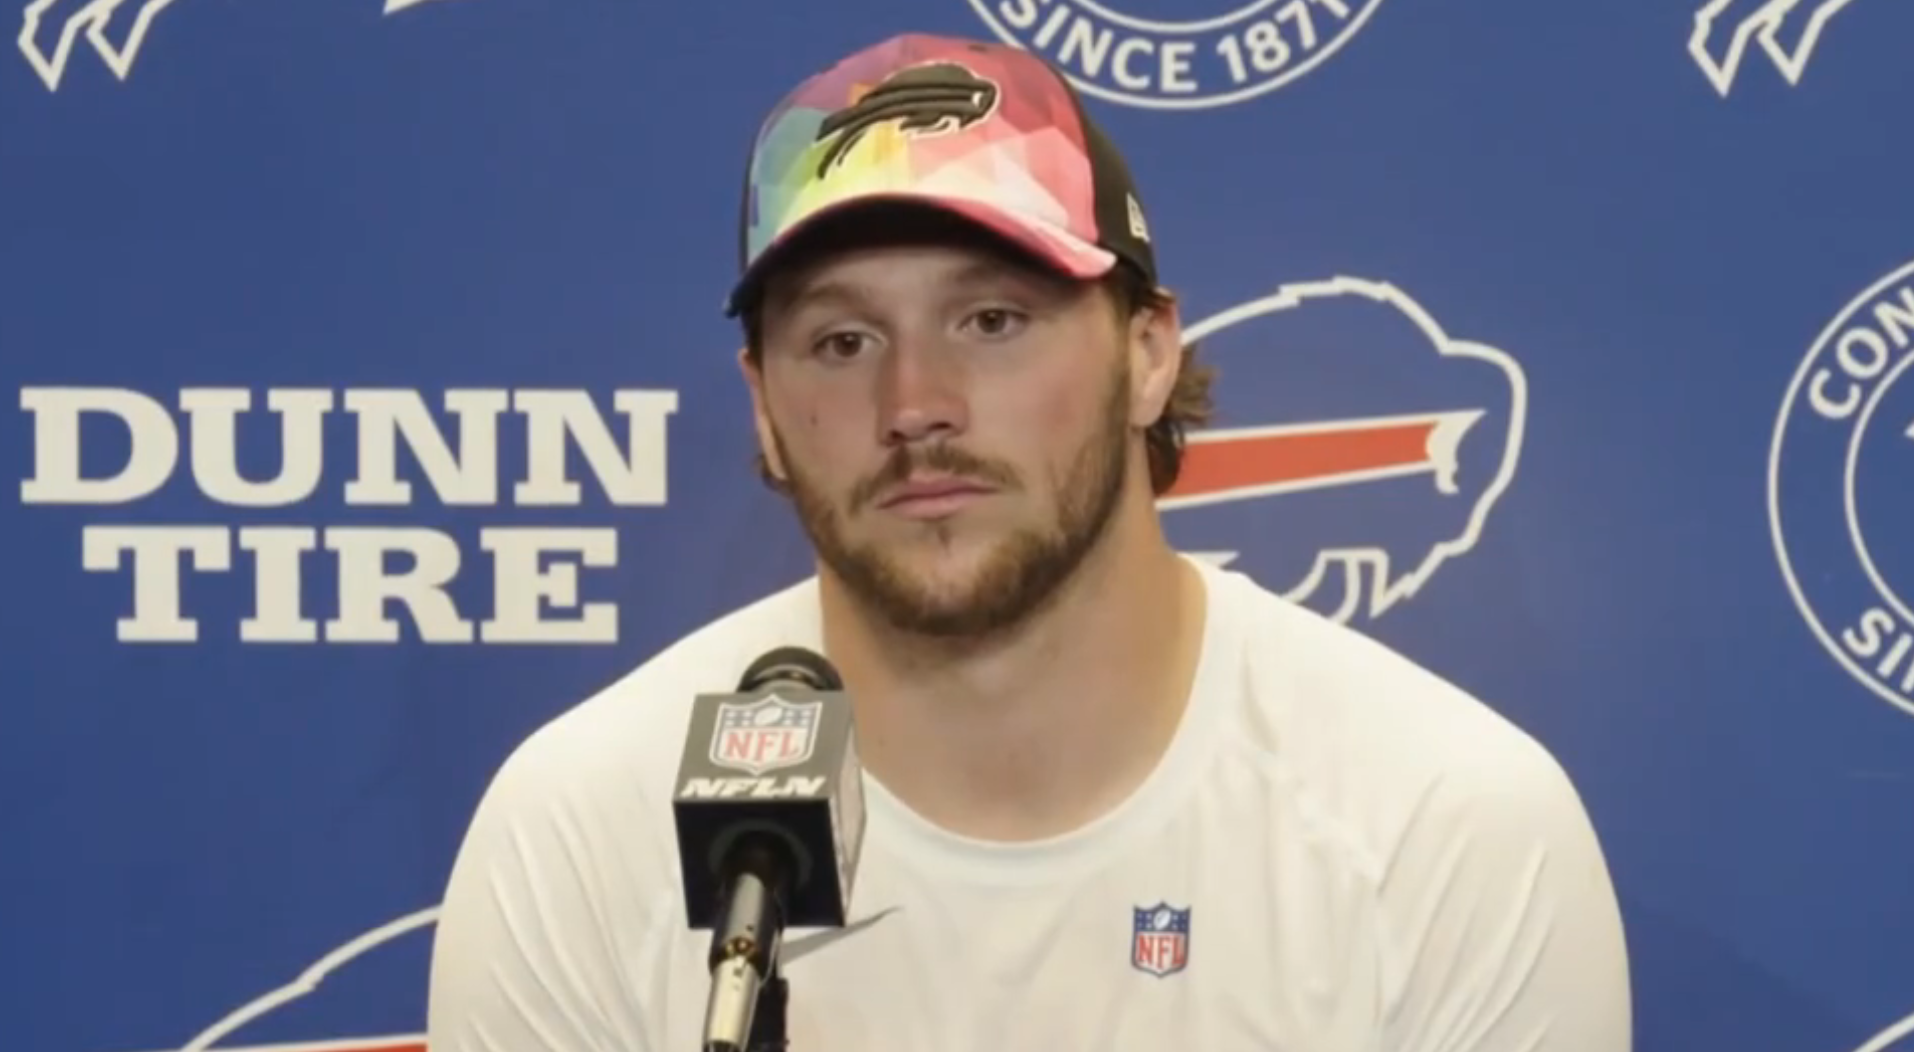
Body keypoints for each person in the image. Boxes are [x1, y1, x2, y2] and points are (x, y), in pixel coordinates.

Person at [424, 30, 1632, 1052]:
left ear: (1148, 352)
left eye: (993, 318)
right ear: (762, 406)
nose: (915, 401)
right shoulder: (583, 829)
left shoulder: (1445, 827)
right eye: (841, 341)